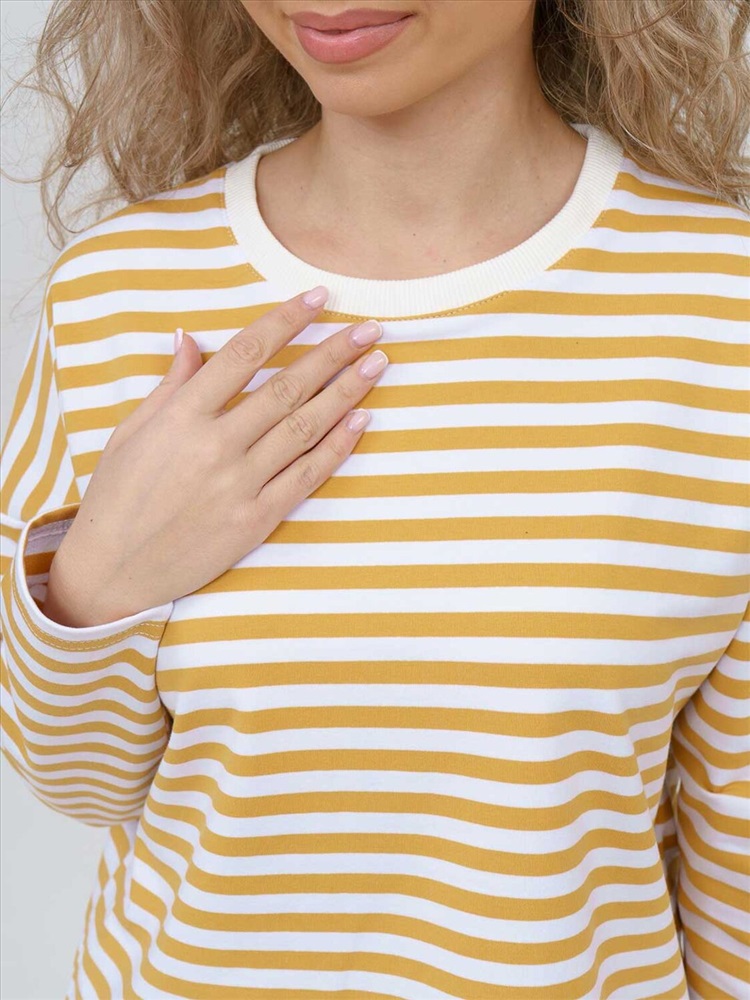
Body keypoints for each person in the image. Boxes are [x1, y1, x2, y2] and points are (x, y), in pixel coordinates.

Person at [1, 0, 748, 997]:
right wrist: (97, 579)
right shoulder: (120, 295)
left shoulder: (719, 313)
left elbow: (735, 876)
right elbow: (76, 782)